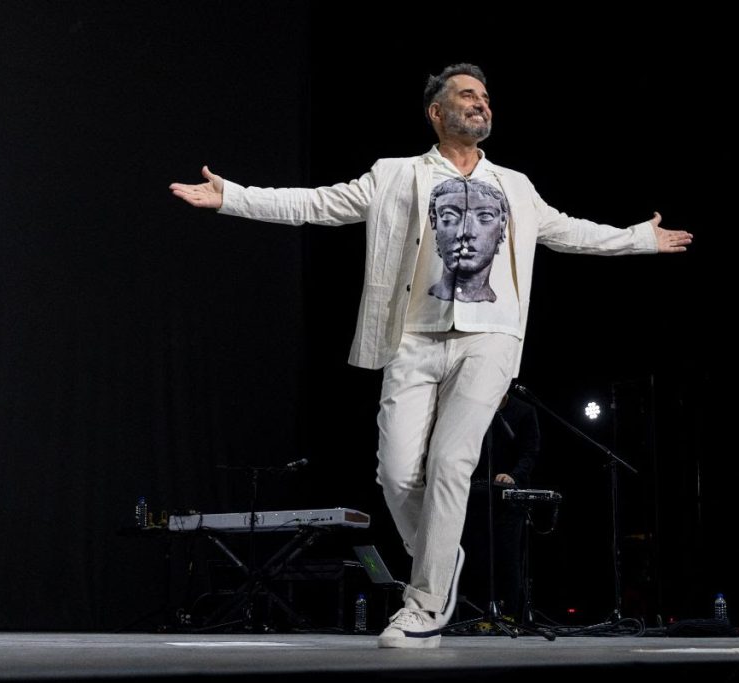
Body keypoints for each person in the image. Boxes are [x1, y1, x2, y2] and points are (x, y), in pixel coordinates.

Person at [169, 63, 692, 649]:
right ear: (436, 112)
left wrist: (639, 239)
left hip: (489, 338)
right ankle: (440, 558)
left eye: (486, 97)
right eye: (467, 96)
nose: (481, 104)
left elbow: (569, 231)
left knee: (450, 464)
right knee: (394, 473)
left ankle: (424, 603)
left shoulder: (516, 186)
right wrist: (232, 197)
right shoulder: (394, 175)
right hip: (412, 338)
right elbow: (319, 204)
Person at [462, 391, 541, 621]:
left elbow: (530, 452)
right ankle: (480, 613)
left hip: (509, 494)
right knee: (478, 553)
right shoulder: (476, 409)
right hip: (480, 492)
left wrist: (513, 475)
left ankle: (510, 614)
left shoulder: (524, 411)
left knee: (507, 554)